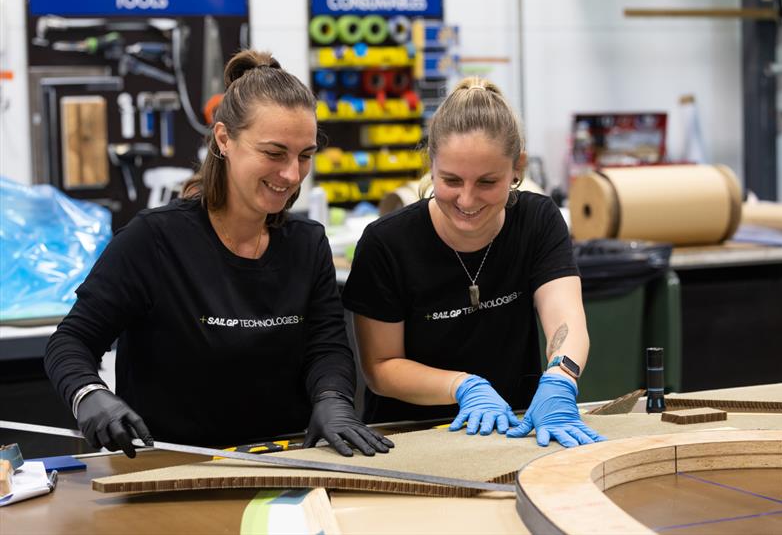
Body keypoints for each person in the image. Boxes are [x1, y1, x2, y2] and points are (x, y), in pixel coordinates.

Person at [44, 49, 393, 459]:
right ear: (225, 139)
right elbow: (70, 342)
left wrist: (333, 397)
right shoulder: (155, 240)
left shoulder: (307, 243)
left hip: (283, 463)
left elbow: (327, 347)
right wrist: (89, 394)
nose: (292, 175)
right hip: (172, 468)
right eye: (274, 153)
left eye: (305, 156)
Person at [342, 77, 605, 448]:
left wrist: (561, 378)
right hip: (410, 438)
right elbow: (380, 368)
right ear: (430, 165)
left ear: (518, 167)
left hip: (516, 430)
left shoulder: (538, 220)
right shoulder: (387, 243)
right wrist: (461, 385)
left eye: (487, 182)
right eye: (451, 180)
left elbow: (566, 317)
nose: (467, 200)